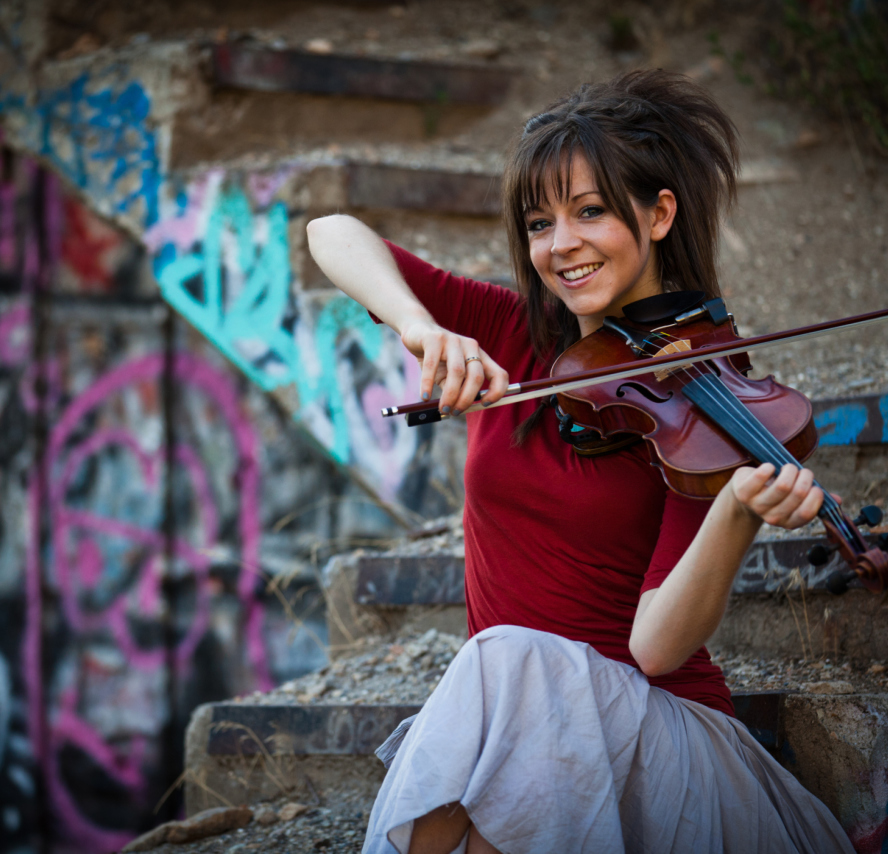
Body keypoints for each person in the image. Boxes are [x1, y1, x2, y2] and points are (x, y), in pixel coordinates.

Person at [307, 70, 853, 854]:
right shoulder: (514, 329)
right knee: (507, 683)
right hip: (516, 720)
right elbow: (330, 231)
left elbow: (658, 649)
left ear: (659, 213)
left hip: (655, 741)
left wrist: (736, 509)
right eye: (538, 222)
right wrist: (422, 328)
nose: (559, 246)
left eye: (590, 211)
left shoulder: (712, 406)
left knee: (510, 660)